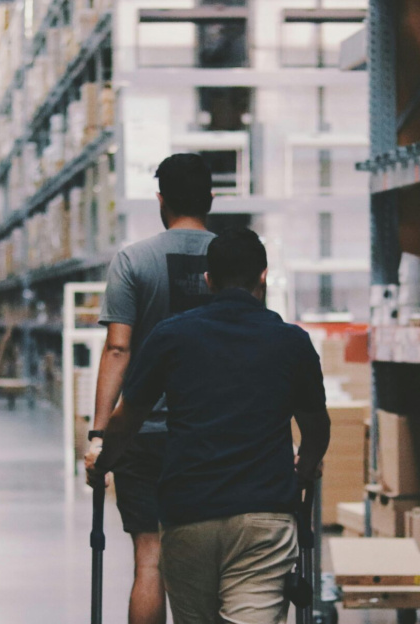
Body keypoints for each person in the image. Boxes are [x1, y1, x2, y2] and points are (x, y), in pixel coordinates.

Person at [86, 228, 332, 624]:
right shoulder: (292, 342)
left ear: (208, 281)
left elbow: (127, 419)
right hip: (264, 513)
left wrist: (102, 458)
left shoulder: (171, 336)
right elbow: (317, 429)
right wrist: (302, 471)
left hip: (189, 514)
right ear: (263, 276)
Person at [90, 153, 218, 624]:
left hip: (144, 433)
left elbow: (118, 350)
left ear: (159, 199)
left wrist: (100, 436)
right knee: (212, 561)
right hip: (211, 434)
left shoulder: (133, 260)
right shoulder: (233, 258)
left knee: (150, 560)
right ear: (211, 198)